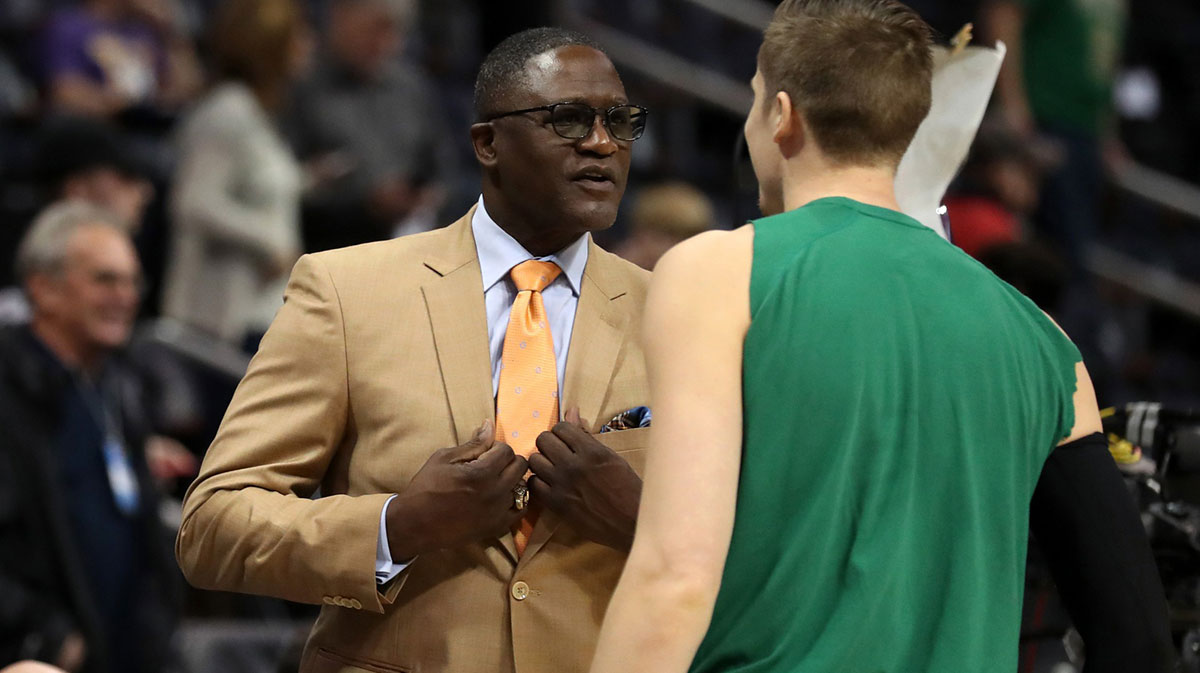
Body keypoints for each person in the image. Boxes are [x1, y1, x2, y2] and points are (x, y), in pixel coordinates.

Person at [590, 2, 1172, 672]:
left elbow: (675, 578)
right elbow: (1138, 637)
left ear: (782, 115)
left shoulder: (718, 273)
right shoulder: (1045, 340)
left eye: (754, 103)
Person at [177, 28, 651, 673]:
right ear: (487, 143)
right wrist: (399, 527)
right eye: (568, 120)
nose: (602, 143)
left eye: (620, 123)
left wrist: (642, 521)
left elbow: (775, 553)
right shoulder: (346, 291)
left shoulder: (680, 315)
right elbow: (213, 527)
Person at [0, 202, 181, 673]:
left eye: (132, 281)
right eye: (105, 279)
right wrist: (44, 636)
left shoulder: (119, 384)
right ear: (43, 288)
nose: (125, 296)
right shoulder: (7, 386)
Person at [162, 0, 311, 350]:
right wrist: (270, 242)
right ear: (268, 45)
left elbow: (256, 188)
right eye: (297, 36)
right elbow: (193, 202)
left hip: (262, 308)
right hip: (221, 318)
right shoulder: (227, 112)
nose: (308, 44)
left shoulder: (257, 112)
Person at [285, 0, 453, 251]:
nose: (385, 42)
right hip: (331, 252)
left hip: (412, 248)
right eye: (375, 28)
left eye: (395, 30)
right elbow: (280, 189)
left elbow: (443, 165)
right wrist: (366, 206)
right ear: (339, 18)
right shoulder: (298, 88)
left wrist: (430, 196)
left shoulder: (411, 87)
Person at [39, 0, 200, 121]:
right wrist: (129, 106)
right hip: (102, 131)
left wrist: (170, 30)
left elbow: (188, 91)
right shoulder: (68, 27)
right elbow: (66, 95)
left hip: (155, 128)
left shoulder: (144, 31)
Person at [613, 182, 715, 270]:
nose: (675, 246)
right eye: (667, 234)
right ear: (639, 234)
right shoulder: (613, 272)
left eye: (687, 237)